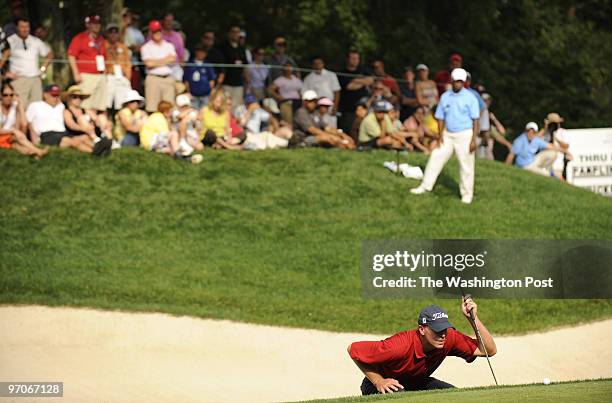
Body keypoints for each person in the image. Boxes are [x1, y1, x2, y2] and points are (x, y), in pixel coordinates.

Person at [348, 300, 496, 395]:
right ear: (422, 329)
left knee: (454, 396)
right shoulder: (399, 346)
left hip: (418, 382)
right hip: (383, 384)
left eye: (444, 329)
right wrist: (378, 381)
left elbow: (488, 350)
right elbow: (352, 349)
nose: (442, 335)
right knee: (400, 395)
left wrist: (473, 318)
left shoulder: (449, 337)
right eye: (437, 331)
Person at [410, 68, 480, 204]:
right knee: (436, 157)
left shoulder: (470, 98)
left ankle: (466, 194)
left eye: (461, 82)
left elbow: (475, 120)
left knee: (466, 165)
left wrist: (473, 140)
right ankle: (425, 186)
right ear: (452, 81)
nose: (458, 84)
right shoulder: (445, 97)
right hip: (447, 134)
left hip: (464, 134)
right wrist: (440, 136)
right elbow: (440, 117)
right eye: (456, 81)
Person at [26, 84, 111, 155]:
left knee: (85, 138)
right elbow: (29, 123)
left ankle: (103, 149)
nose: (55, 98)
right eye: (53, 95)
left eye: (57, 95)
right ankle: (96, 153)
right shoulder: (35, 105)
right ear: (45, 95)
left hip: (63, 133)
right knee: (72, 142)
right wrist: (34, 141)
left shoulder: (60, 106)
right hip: (47, 134)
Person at [5, 18, 53, 108]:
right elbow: (3, 58)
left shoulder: (35, 41)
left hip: (35, 79)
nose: (25, 29)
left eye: (27, 27)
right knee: (19, 107)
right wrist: (6, 73)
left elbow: (49, 54)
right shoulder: (10, 41)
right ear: (17, 28)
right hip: (19, 80)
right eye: (22, 27)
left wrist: (43, 69)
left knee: (37, 108)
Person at [67, 15, 108, 113]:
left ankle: (98, 125)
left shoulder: (101, 39)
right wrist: (76, 73)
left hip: (100, 75)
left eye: (98, 23)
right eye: (94, 23)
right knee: (86, 103)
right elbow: (71, 55)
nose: (96, 26)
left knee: (100, 104)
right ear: (88, 25)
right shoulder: (80, 38)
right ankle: (86, 125)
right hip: (86, 75)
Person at [0, 82, 49, 158]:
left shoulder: (14, 107)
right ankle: (38, 151)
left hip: (9, 136)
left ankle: (34, 154)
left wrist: (20, 105)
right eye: (5, 95)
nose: (9, 97)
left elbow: (24, 124)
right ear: (1, 96)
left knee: (16, 145)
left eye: (11, 95)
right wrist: (13, 131)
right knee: (17, 138)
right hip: (3, 135)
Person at [505, 121, 571, 177]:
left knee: (552, 153)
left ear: (535, 133)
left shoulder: (535, 140)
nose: (530, 133)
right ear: (526, 131)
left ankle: (546, 170)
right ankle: (549, 174)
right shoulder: (519, 140)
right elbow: (511, 155)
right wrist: (506, 169)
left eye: (533, 132)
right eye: (529, 131)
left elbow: (551, 147)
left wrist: (566, 152)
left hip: (533, 161)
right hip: (524, 166)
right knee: (546, 175)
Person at [140, 20, 176, 113]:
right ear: (151, 32)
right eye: (155, 31)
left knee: (169, 108)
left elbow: (173, 59)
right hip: (153, 78)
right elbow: (148, 64)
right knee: (152, 108)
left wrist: (155, 62)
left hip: (167, 78)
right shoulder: (146, 47)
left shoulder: (169, 45)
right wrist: (165, 59)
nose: (157, 33)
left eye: (159, 30)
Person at [338, 50, 373, 135]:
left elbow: (370, 80)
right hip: (349, 108)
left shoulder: (363, 70)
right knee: (351, 130)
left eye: (357, 58)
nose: (355, 60)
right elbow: (349, 86)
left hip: (363, 107)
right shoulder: (342, 73)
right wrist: (363, 81)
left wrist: (355, 80)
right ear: (347, 59)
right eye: (353, 58)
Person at [303, 56, 341, 126]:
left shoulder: (331, 75)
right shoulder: (308, 78)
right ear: (312, 65)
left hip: (330, 107)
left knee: (332, 127)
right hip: (316, 109)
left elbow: (337, 92)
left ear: (323, 64)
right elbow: (304, 95)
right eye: (315, 64)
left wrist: (335, 106)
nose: (317, 65)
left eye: (319, 63)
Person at [218, 25, 249, 108]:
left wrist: (247, 80)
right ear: (229, 33)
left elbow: (245, 65)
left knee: (237, 107)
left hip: (238, 83)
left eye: (238, 32)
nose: (236, 34)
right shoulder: (223, 47)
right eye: (234, 32)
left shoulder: (242, 48)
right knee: (225, 106)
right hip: (226, 83)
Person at [104, 23, 132, 112]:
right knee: (106, 102)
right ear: (107, 34)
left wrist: (128, 78)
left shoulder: (123, 47)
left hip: (121, 77)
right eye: (111, 32)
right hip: (109, 76)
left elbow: (128, 63)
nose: (113, 34)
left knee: (121, 103)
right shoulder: (103, 45)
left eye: (116, 32)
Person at [478, 93, 512, 160]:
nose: (486, 103)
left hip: (485, 149)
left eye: (488, 101)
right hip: (480, 145)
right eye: (484, 101)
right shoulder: (478, 112)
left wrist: (494, 119)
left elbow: (502, 132)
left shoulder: (488, 115)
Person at [183, 43, 216, 109]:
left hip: (205, 95)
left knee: (205, 112)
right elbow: (186, 80)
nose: (201, 54)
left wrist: (211, 92)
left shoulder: (208, 65)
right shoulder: (190, 64)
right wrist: (188, 92)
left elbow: (211, 80)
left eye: (203, 52)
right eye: (200, 52)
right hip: (193, 94)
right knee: (194, 111)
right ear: (196, 52)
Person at [121, 8, 145, 91]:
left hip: (134, 64)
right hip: (121, 64)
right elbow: (120, 41)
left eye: (130, 17)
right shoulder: (119, 30)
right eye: (125, 16)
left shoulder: (138, 32)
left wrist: (134, 47)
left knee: (133, 89)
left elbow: (142, 48)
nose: (128, 19)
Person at [542, 112, 571, 179]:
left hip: (557, 163)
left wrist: (556, 138)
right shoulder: (546, 133)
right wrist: (545, 128)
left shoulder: (563, 132)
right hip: (546, 163)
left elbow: (566, 146)